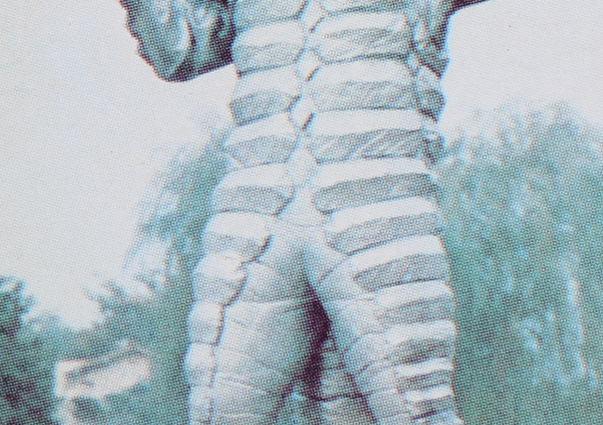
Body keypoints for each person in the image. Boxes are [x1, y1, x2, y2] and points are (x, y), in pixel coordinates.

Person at [119, 0, 490, 423]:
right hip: (256, 205)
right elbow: (182, 50)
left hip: (377, 202)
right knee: (220, 411)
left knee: (411, 408)